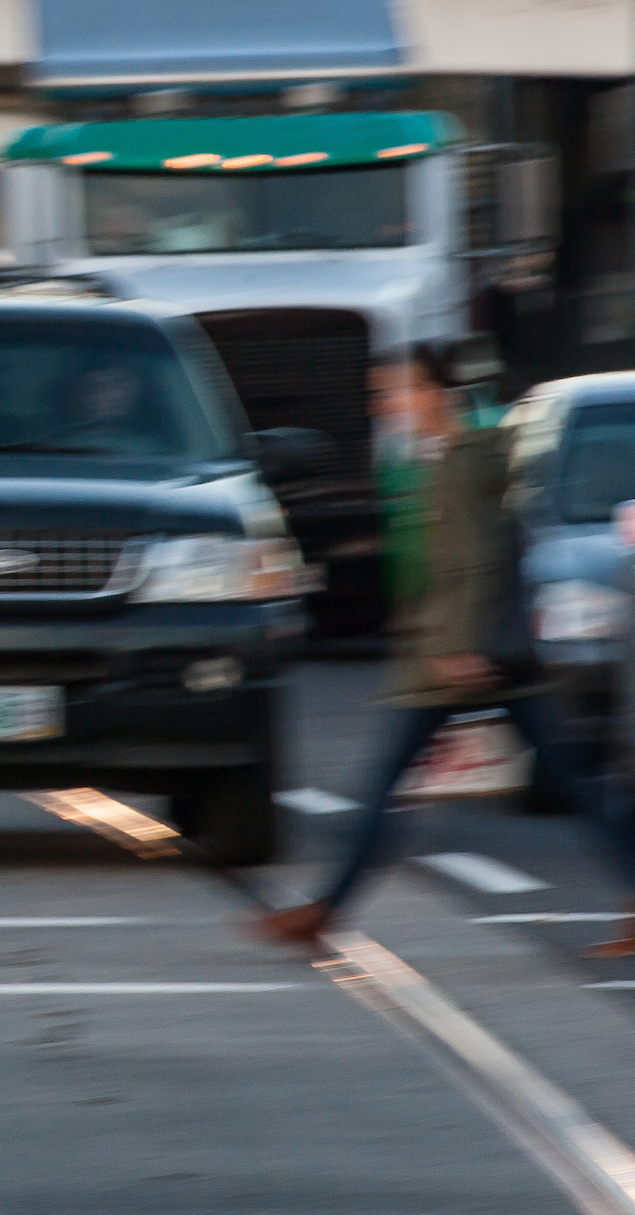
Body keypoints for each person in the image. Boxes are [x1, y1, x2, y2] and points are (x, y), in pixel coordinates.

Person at [256, 342, 635, 956]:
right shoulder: (439, 457)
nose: (385, 404)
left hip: (460, 656)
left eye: (395, 391)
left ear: (431, 393)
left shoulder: (462, 460)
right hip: (482, 652)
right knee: (573, 780)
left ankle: (327, 910)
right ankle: (327, 908)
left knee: (389, 787)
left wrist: (458, 646)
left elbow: (481, 559)